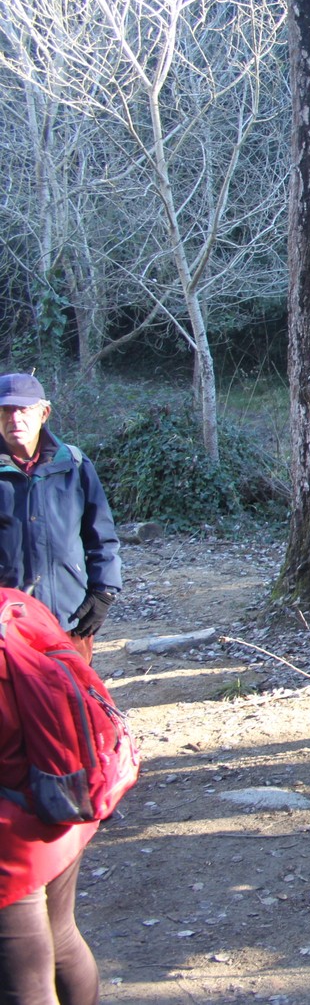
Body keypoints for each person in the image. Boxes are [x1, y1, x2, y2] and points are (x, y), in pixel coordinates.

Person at [0, 590, 102, 1004]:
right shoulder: (16, 604)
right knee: (61, 934)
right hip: (63, 797)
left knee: (21, 982)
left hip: (13, 834)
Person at [0, 374, 121, 654]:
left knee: (71, 684)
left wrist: (104, 591)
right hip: (7, 625)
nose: (15, 419)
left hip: (68, 616)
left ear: (44, 413)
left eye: (24, 409)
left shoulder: (73, 464)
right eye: (6, 410)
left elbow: (101, 536)